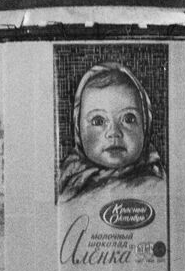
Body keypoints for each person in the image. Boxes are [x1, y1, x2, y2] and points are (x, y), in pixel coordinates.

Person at [58, 62, 164, 201]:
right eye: (98, 121)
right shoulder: (66, 180)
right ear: (78, 130)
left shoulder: (157, 186)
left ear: (145, 125)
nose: (114, 132)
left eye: (128, 118)